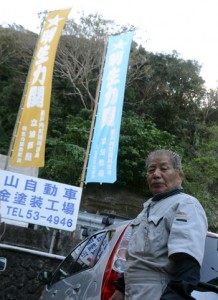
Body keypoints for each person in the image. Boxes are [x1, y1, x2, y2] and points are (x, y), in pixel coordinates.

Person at [110, 149, 208, 300]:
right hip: (132, 292)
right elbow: (137, 258)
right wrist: (121, 289)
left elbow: (187, 262)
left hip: (158, 292)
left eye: (164, 168)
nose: (156, 174)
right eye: (151, 170)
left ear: (180, 175)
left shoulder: (185, 204)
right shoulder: (147, 209)